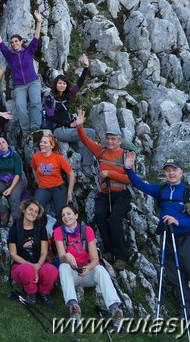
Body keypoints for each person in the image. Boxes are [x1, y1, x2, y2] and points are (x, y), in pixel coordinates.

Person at [125, 157, 190, 320]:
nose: (171, 173)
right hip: (167, 238)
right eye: (168, 170)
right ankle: (186, 312)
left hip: (187, 239)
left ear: (181, 172)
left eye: (174, 169)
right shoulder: (161, 190)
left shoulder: (189, 193)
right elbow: (140, 185)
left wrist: (179, 221)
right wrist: (129, 169)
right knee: (175, 277)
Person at [75, 109, 131, 271]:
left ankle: (121, 256)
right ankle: (108, 251)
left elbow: (129, 178)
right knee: (99, 216)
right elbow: (86, 141)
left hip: (121, 194)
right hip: (105, 193)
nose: (110, 141)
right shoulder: (101, 151)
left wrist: (109, 173)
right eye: (108, 138)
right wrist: (79, 126)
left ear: (119, 141)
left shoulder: (126, 155)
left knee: (114, 219)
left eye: (113, 139)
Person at [53, 204, 123, 330]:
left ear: (76, 215)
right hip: (71, 273)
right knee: (63, 267)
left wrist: (89, 268)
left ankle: (115, 309)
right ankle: (74, 307)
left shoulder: (87, 230)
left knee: (101, 269)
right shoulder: (58, 231)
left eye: (69, 214)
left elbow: (95, 258)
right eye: (63, 215)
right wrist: (67, 256)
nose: (66, 217)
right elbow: (62, 256)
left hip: (87, 272)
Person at [0, 10, 43, 134]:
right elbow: (0, 43)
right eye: (13, 42)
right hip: (19, 86)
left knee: (35, 103)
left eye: (16, 41)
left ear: (21, 42)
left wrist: (39, 21)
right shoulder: (10, 55)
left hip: (33, 82)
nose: (14, 43)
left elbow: (36, 37)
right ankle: (26, 130)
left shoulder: (29, 51)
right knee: (20, 107)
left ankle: (36, 127)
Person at [42, 54, 96, 169]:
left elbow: (79, 84)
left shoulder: (68, 96)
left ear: (66, 85)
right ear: (55, 84)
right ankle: (87, 166)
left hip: (69, 129)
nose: (62, 85)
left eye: (64, 83)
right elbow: (51, 116)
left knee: (81, 148)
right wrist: (69, 124)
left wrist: (86, 67)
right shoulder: (49, 98)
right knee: (90, 133)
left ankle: (84, 167)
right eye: (59, 83)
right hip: (59, 130)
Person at [8, 199, 58, 307]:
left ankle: (44, 292)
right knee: (27, 270)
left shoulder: (41, 228)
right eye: (30, 209)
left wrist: (38, 266)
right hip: (21, 266)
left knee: (52, 270)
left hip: (39, 263)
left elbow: (44, 252)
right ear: (24, 210)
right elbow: (13, 254)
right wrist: (31, 266)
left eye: (36, 211)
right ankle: (31, 292)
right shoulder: (15, 228)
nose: (33, 213)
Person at [31, 133, 75, 225]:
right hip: (43, 188)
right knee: (35, 209)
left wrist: (69, 193)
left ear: (51, 145)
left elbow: (71, 174)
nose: (42, 144)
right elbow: (34, 168)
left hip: (58, 188)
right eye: (41, 142)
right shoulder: (36, 156)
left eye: (45, 143)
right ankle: (41, 231)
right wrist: (38, 181)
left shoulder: (58, 158)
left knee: (62, 213)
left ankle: (58, 234)